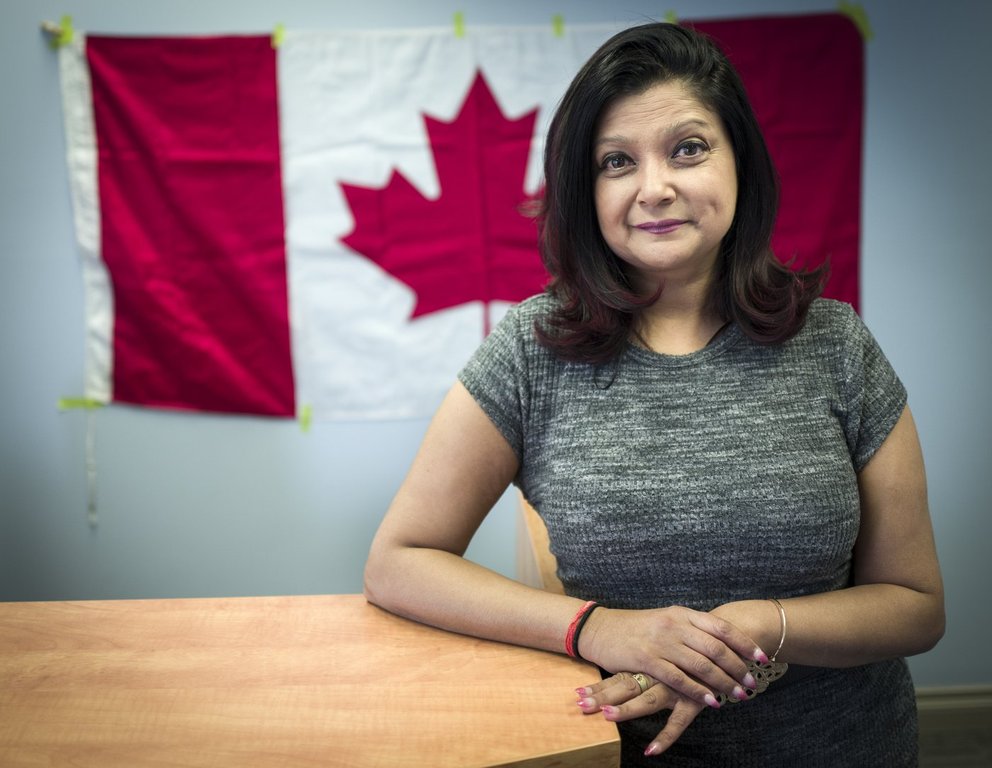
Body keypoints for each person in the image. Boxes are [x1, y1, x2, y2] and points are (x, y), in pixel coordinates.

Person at [363, 21, 944, 766]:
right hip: (621, 753)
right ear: (586, 189)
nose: (655, 187)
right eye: (616, 161)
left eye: (688, 148)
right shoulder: (531, 350)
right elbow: (398, 561)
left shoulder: (835, 345)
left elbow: (917, 606)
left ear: (741, 163)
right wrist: (599, 629)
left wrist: (749, 629)